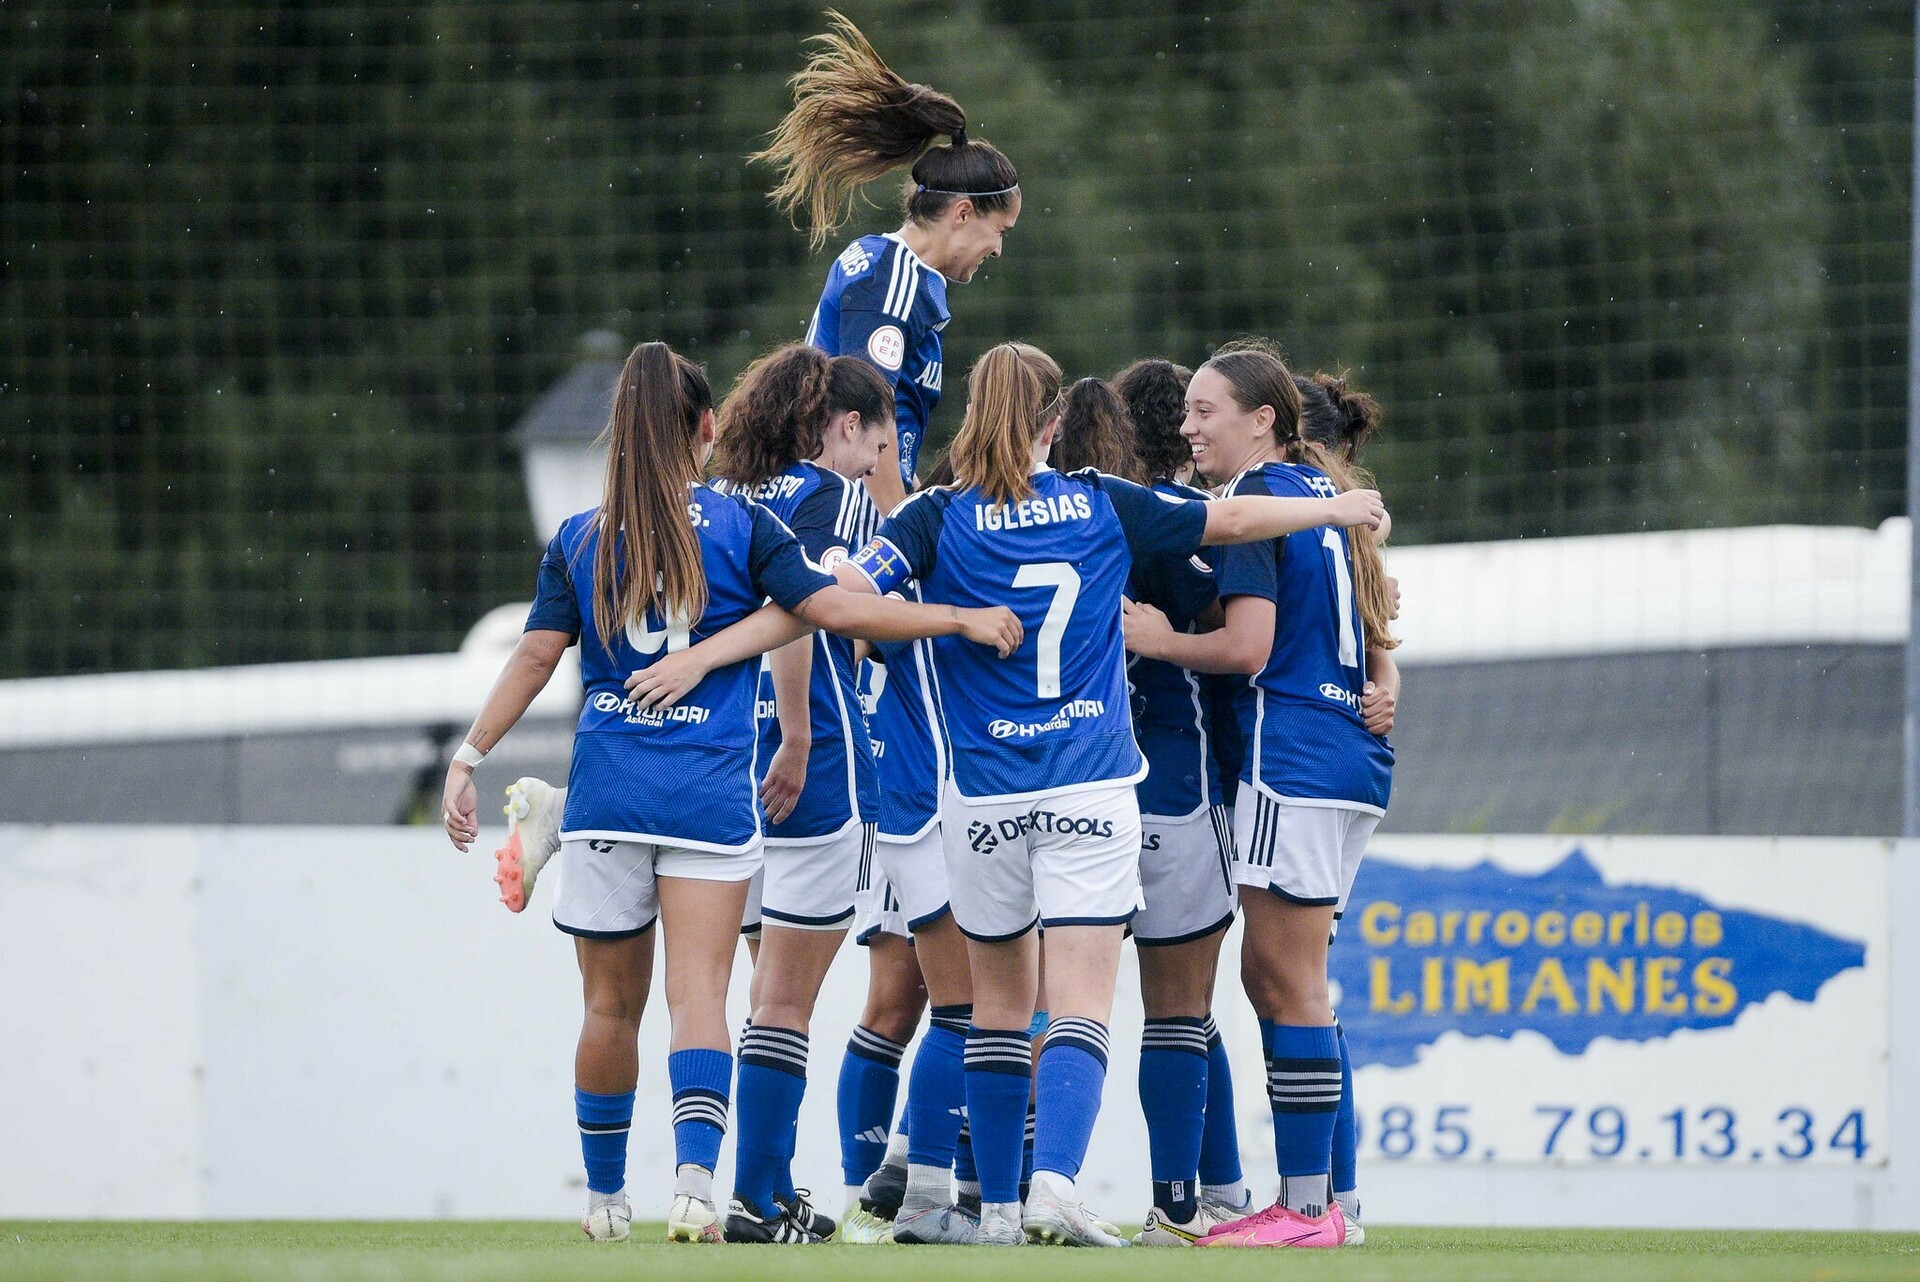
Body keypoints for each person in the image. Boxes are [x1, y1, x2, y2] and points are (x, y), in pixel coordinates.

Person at [436, 340, 1022, 1246]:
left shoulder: (581, 536)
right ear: (705, 428)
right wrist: (955, 616)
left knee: (605, 1008)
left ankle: (601, 1202)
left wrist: (469, 755)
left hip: (608, 793)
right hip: (711, 792)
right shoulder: (743, 527)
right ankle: (696, 1189)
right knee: (701, 996)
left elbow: (534, 653)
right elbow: (829, 608)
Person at [831, 341, 1384, 1247]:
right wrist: (1343, 503)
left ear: (976, 412)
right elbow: (1222, 527)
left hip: (981, 801)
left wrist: (952, 618)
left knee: (996, 1010)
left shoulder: (937, 514)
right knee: (1115, 1004)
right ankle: (1082, 1188)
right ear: (1052, 423)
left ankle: (992, 1205)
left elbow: (840, 601)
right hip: (1094, 787)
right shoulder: (1100, 501)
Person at [1119, 340, 1397, 1249]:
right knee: (1288, 978)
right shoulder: (1325, 495)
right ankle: (1330, 1206)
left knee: (1285, 980)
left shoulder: (1253, 502)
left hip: (1293, 756)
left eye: (1205, 412)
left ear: (1262, 421)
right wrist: (1385, 671)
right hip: (1351, 758)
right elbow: (1374, 615)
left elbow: (1247, 649)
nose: (1188, 428)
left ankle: (1306, 1210)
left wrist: (1158, 642)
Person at [704, 342, 903, 1243]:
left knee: (755, 992)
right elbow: (798, 612)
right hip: (810, 770)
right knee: (785, 1000)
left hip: (718, 770)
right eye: (879, 438)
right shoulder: (836, 496)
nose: (880, 461)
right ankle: (752, 1197)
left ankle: (771, 1186)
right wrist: (800, 731)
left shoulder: (728, 499)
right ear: (844, 426)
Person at [1050, 362, 1249, 1246]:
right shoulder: (1172, 530)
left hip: (1065, 786)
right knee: (1181, 1011)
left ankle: (1012, 1188)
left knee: (1052, 1008)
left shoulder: (1045, 521)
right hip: (1170, 786)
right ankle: (1180, 1206)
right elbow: (1244, 637)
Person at [758, 10, 1021, 516]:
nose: (999, 249)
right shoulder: (891, 277)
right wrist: (897, 532)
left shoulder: (905, 277)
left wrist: (911, 490)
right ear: (963, 214)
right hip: (834, 511)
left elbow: (888, 432)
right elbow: (862, 417)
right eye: (1000, 232)